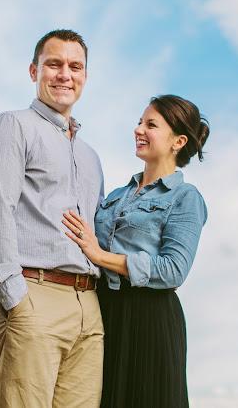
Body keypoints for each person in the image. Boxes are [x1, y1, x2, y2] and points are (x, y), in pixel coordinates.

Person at [0, 29, 104, 408]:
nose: (65, 75)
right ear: (34, 71)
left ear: (85, 76)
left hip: (89, 308)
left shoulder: (91, 157)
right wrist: (15, 298)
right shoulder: (12, 127)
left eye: (75, 66)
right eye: (54, 64)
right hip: (33, 295)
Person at [62, 94, 209, 408]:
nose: (139, 129)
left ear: (178, 141)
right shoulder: (117, 195)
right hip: (102, 310)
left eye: (151, 125)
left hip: (149, 317)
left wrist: (100, 256)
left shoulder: (185, 198)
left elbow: (173, 270)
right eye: (140, 122)